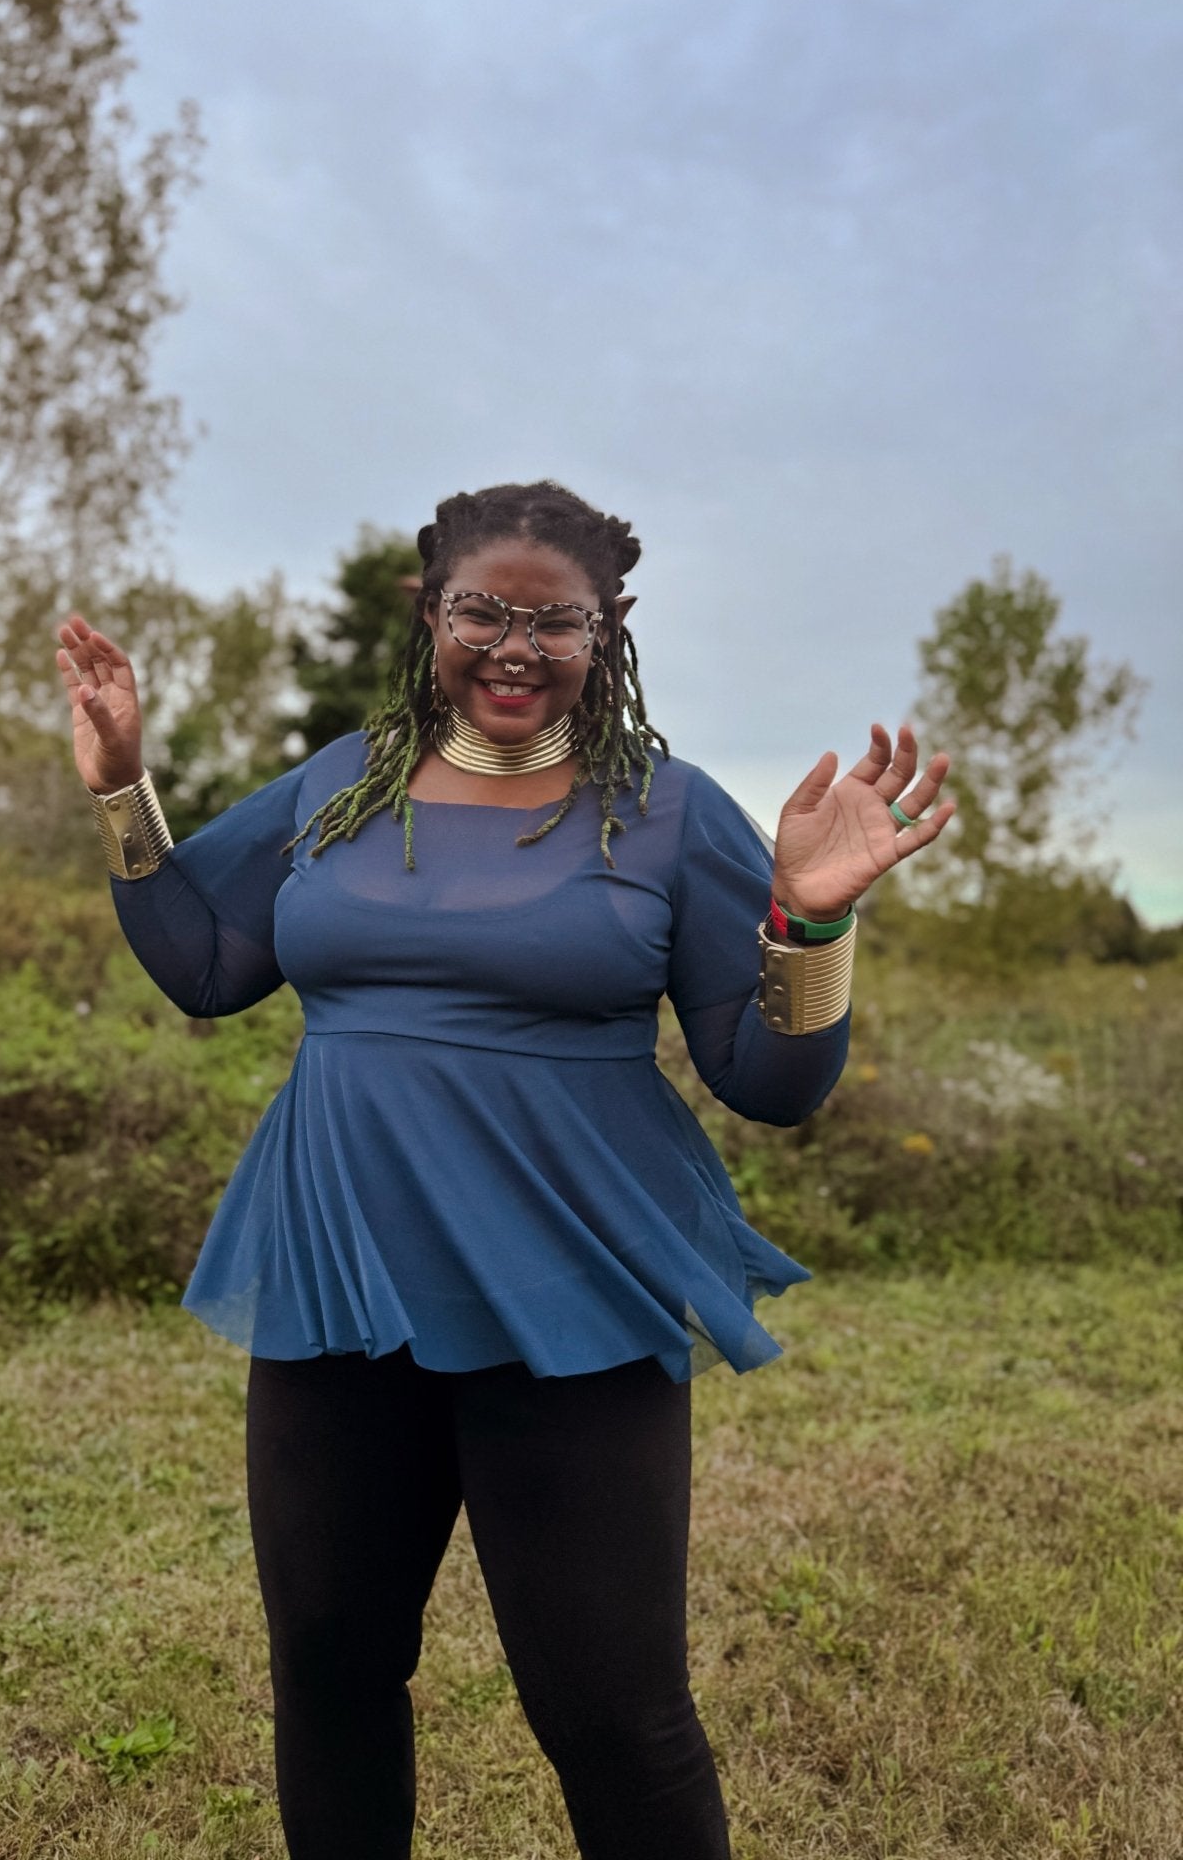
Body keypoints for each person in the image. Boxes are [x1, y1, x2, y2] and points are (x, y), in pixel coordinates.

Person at [53, 481, 954, 1860]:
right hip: (340, 1287)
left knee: (615, 1716)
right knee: (332, 1672)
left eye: (557, 622)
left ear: (609, 632)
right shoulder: (341, 785)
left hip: (569, 1303)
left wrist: (810, 924)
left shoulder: (666, 813)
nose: (516, 648)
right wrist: (124, 788)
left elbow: (771, 1086)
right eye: (483, 612)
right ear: (431, 614)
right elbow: (208, 965)